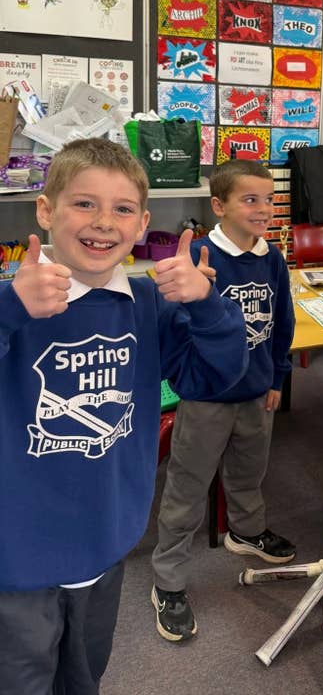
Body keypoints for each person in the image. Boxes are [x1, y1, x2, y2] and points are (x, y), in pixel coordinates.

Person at [0, 138, 248, 695]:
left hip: (106, 536)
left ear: (142, 225)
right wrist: (9, 309)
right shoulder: (12, 301)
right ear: (46, 211)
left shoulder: (148, 303)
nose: (104, 222)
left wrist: (206, 305)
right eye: (84, 203)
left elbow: (215, 377)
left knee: (86, 673)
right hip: (16, 553)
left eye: (123, 209)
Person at [151, 159, 295, 642]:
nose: (263, 208)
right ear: (219, 205)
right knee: (187, 487)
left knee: (249, 471)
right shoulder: (200, 258)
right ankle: (168, 580)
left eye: (269, 199)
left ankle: (246, 532)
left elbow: (283, 321)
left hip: (256, 391)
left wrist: (277, 376)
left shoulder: (272, 258)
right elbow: (178, 333)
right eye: (250, 199)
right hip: (207, 398)